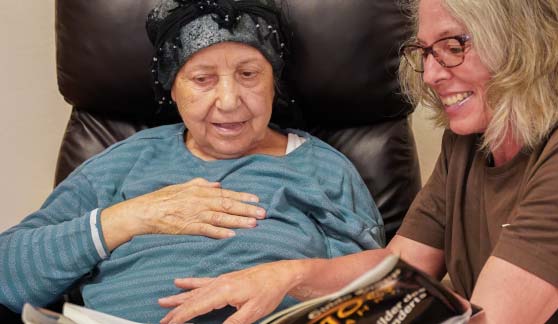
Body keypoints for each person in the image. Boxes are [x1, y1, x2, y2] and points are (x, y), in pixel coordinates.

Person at [155, 0, 558, 322]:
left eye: (454, 46)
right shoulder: (469, 142)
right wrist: (284, 276)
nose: (434, 75)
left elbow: (488, 319)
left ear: (524, 44)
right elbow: (395, 267)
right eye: (425, 52)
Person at [0, 0, 383, 322]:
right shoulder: (124, 161)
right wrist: (133, 217)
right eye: (203, 79)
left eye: (249, 74)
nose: (229, 101)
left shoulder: (326, 171)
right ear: (173, 90)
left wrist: (290, 279)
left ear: (274, 84)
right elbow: (8, 272)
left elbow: (376, 293)